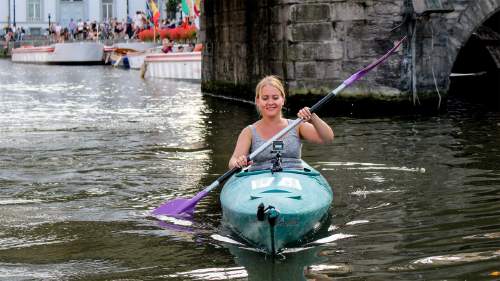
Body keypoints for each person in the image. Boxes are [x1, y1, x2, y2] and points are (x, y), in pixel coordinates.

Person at [228, 75, 334, 170]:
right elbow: (233, 162)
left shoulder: (297, 126)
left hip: (294, 181)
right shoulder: (249, 132)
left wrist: (313, 118)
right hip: (260, 183)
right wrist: (238, 162)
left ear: (282, 99)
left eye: (275, 98)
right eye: (265, 98)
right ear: (257, 101)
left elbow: (328, 138)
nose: (270, 102)